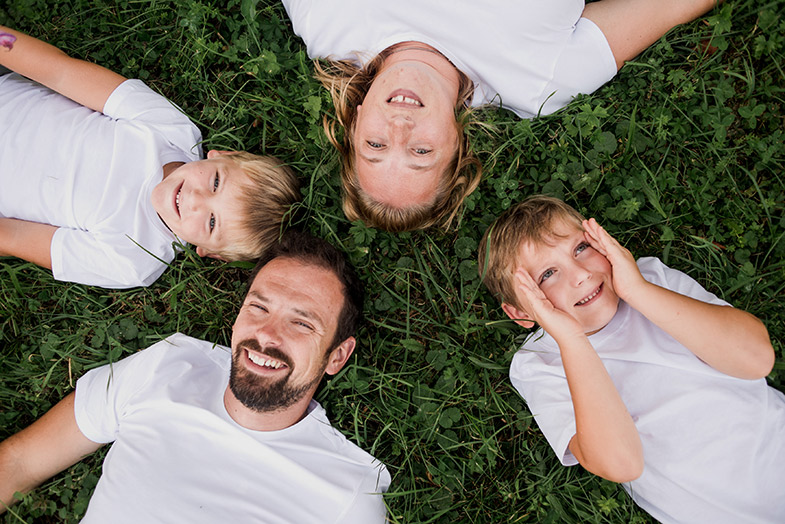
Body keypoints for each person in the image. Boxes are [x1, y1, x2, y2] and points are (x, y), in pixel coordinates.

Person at [0, 231, 391, 523]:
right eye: (259, 307)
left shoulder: (349, 491)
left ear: (337, 356)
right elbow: (19, 462)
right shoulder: (169, 365)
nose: (267, 334)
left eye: (301, 323)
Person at [282, 0, 718, 232]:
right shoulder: (540, 81)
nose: (399, 128)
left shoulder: (325, 19)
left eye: (375, 146)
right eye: (421, 151)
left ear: (355, 122)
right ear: (458, 142)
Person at [477, 195, 785, 523]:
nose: (580, 274)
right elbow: (621, 464)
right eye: (547, 274)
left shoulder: (651, 278)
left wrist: (637, 290)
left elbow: (757, 360)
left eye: (581, 248)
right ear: (521, 312)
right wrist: (571, 339)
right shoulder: (538, 363)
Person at [0, 26, 300, 288]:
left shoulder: (133, 261)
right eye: (216, 182)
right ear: (223, 155)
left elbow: (13, 237)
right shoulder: (170, 130)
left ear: (210, 253)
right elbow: (58, 71)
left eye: (211, 223)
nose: (195, 200)